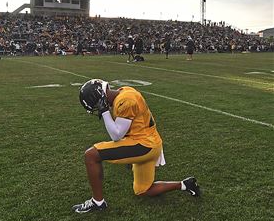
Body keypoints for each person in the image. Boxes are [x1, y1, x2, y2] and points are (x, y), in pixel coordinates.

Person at [73, 79, 200, 214]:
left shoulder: (125, 101)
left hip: (144, 145)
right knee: (142, 190)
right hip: (150, 143)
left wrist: (104, 111)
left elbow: (116, 135)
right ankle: (184, 184)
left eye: (96, 105)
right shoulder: (125, 91)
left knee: (91, 155)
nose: (97, 109)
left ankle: (97, 202)